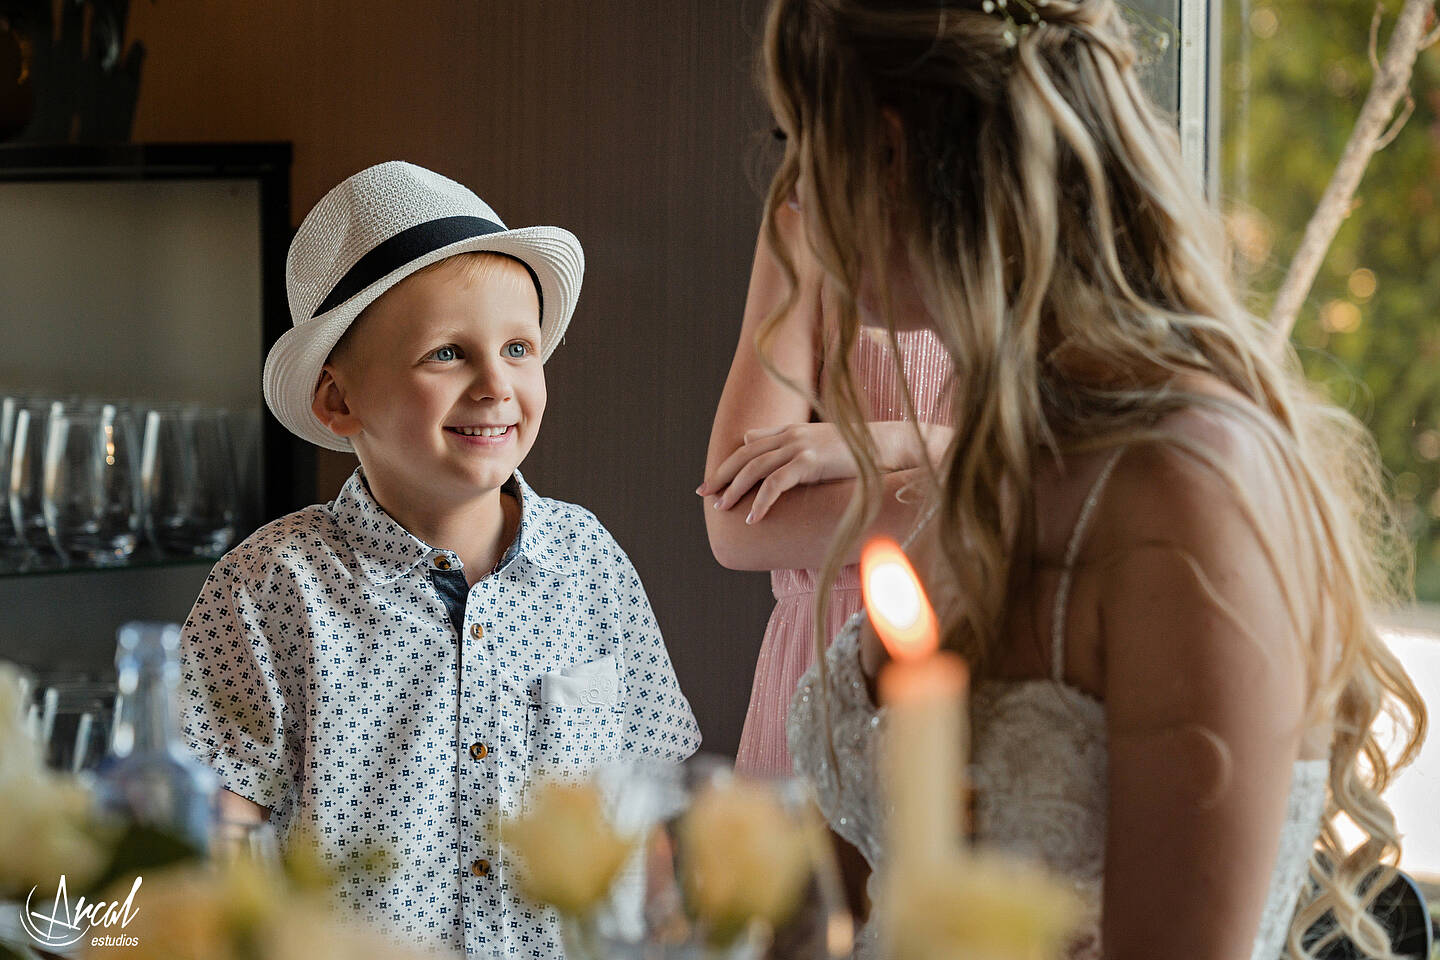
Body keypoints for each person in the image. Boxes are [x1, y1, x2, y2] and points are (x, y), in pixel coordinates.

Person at [757, 2, 1429, 959]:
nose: (790, 196)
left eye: (799, 142)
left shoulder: (1188, 486)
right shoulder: (1007, 455)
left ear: (888, 153)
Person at [176, 161, 701, 958]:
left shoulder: (590, 563)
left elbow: (651, 808)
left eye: (519, 347)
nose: (497, 385)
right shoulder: (269, 589)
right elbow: (216, 836)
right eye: (448, 354)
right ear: (339, 399)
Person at [700, 197, 954, 779]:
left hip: (994, 642)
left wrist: (900, 443)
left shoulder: (1061, 217)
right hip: (821, 658)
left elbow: (1060, 484)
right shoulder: (805, 213)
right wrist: (963, 482)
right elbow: (741, 523)